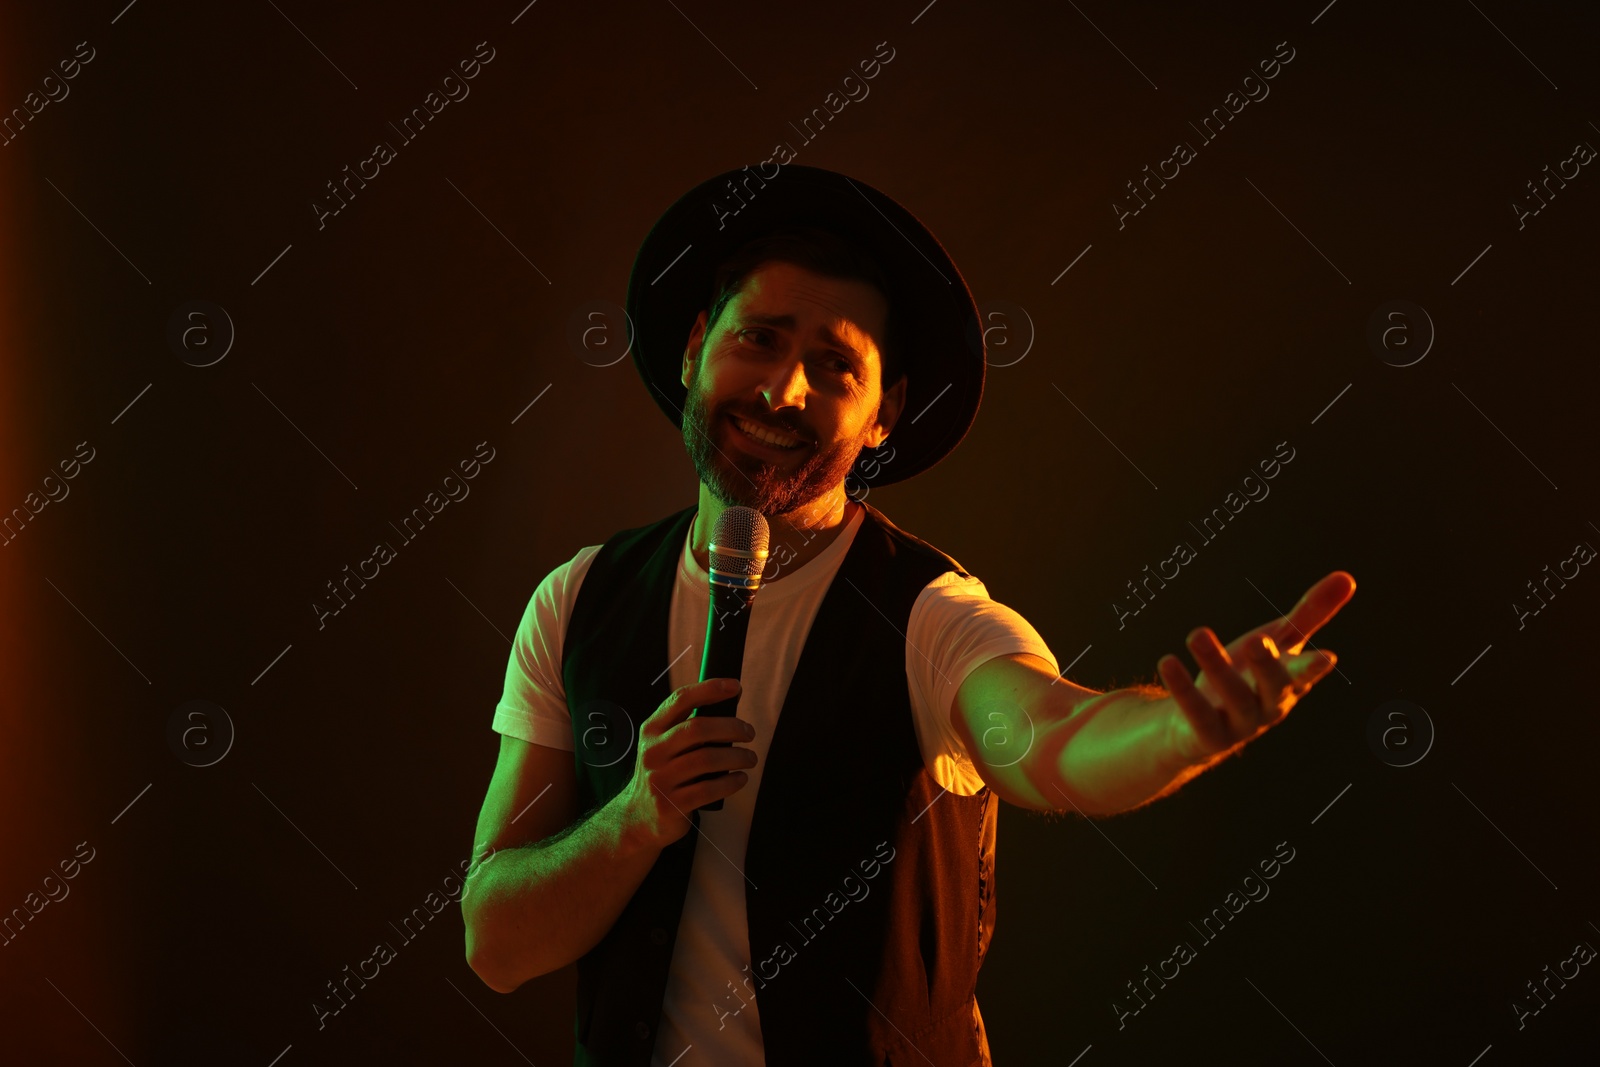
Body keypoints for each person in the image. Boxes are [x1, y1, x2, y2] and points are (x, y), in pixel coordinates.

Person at [460, 165, 1355, 1067]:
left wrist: (1178, 732)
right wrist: (635, 818)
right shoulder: (577, 600)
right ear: (696, 346)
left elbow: (1058, 741)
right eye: (760, 339)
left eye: (834, 365)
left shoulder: (929, 617)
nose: (784, 391)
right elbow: (496, 944)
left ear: (883, 413)